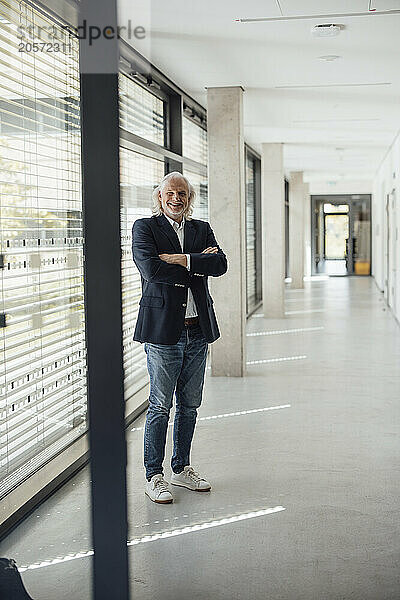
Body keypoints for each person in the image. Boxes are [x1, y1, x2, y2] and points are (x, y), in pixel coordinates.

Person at [131, 172, 227, 503]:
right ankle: (153, 475)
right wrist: (197, 263)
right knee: (160, 405)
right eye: (170, 193)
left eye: (183, 193)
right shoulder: (144, 228)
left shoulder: (200, 229)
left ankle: (181, 468)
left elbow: (221, 264)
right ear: (159, 197)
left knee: (190, 405)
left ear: (190, 198)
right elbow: (151, 270)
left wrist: (180, 258)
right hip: (162, 332)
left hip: (197, 329)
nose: (177, 198)